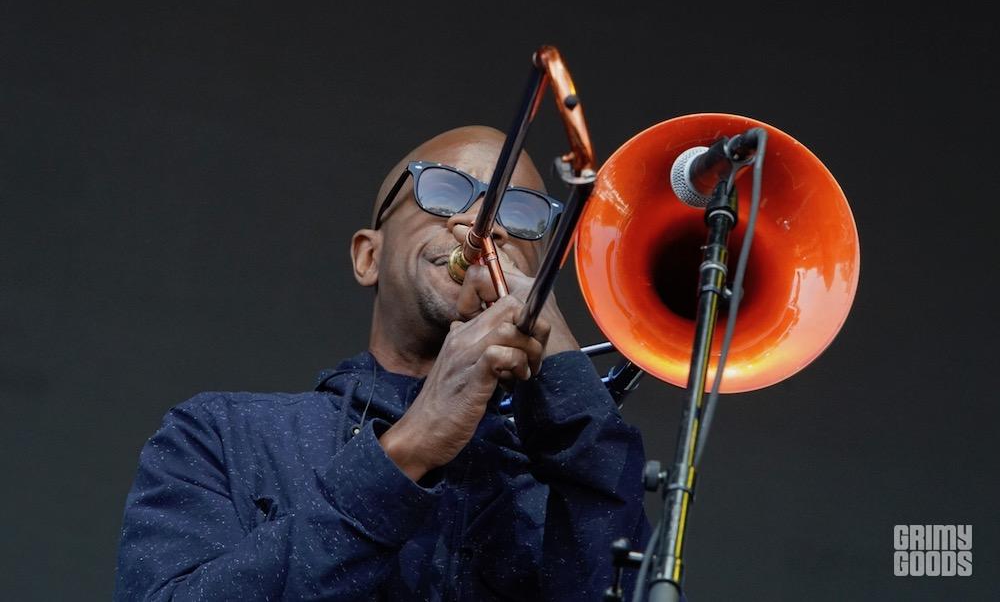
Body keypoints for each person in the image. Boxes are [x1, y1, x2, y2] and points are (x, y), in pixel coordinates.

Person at [114, 126, 651, 601]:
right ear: (368, 256)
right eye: (445, 190)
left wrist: (567, 375)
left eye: (521, 211)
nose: (484, 223)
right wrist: (410, 448)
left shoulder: (559, 479)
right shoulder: (222, 434)